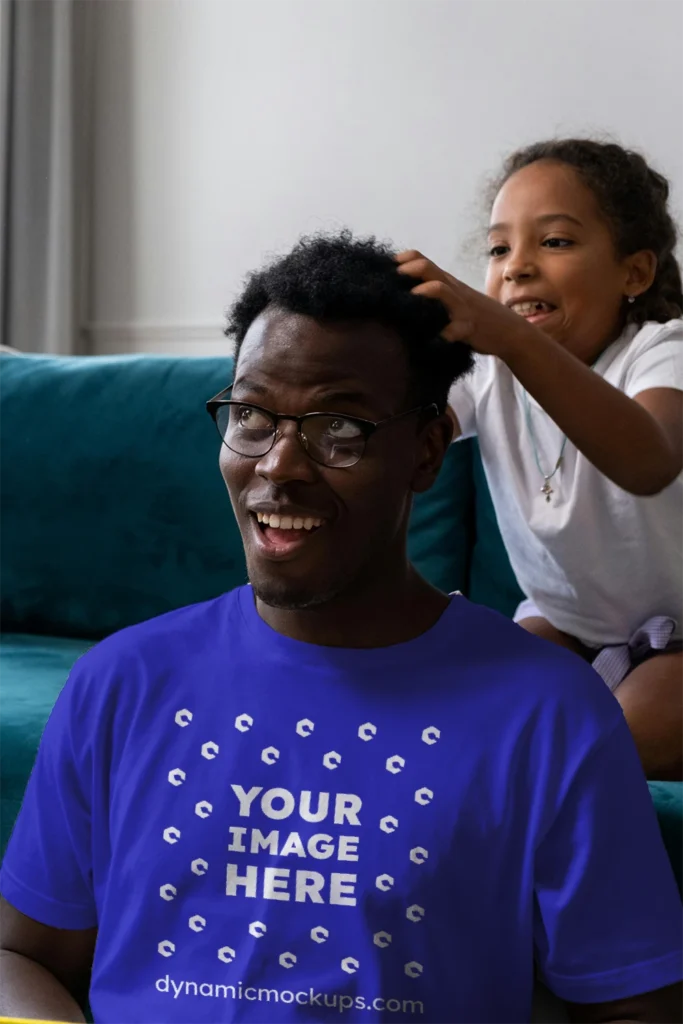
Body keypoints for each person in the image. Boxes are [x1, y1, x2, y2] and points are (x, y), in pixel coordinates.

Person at [1, 232, 683, 1023]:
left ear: (427, 451)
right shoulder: (119, 683)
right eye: (252, 415)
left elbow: (636, 1008)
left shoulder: (549, 713)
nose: (280, 464)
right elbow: (22, 954)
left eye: (339, 429)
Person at [398, 139, 683, 781]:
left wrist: (510, 338)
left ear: (634, 274)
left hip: (681, 642)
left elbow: (651, 461)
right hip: (566, 626)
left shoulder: (662, 351)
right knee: (464, 721)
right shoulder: (488, 370)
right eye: (499, 249)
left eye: (553, 242)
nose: (516, 266)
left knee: (610, 747)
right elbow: (411, 432)